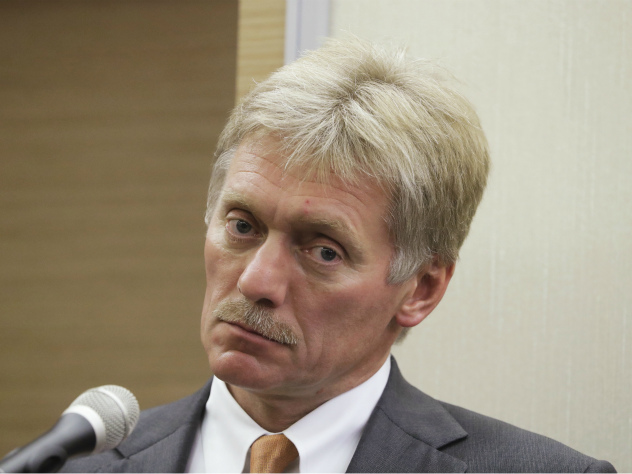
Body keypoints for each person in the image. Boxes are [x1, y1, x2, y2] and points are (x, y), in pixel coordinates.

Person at [63, 38, 615, 473]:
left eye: (324, 251)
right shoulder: (74, 467)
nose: (257, 281)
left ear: (421, 290)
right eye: (242, 226)